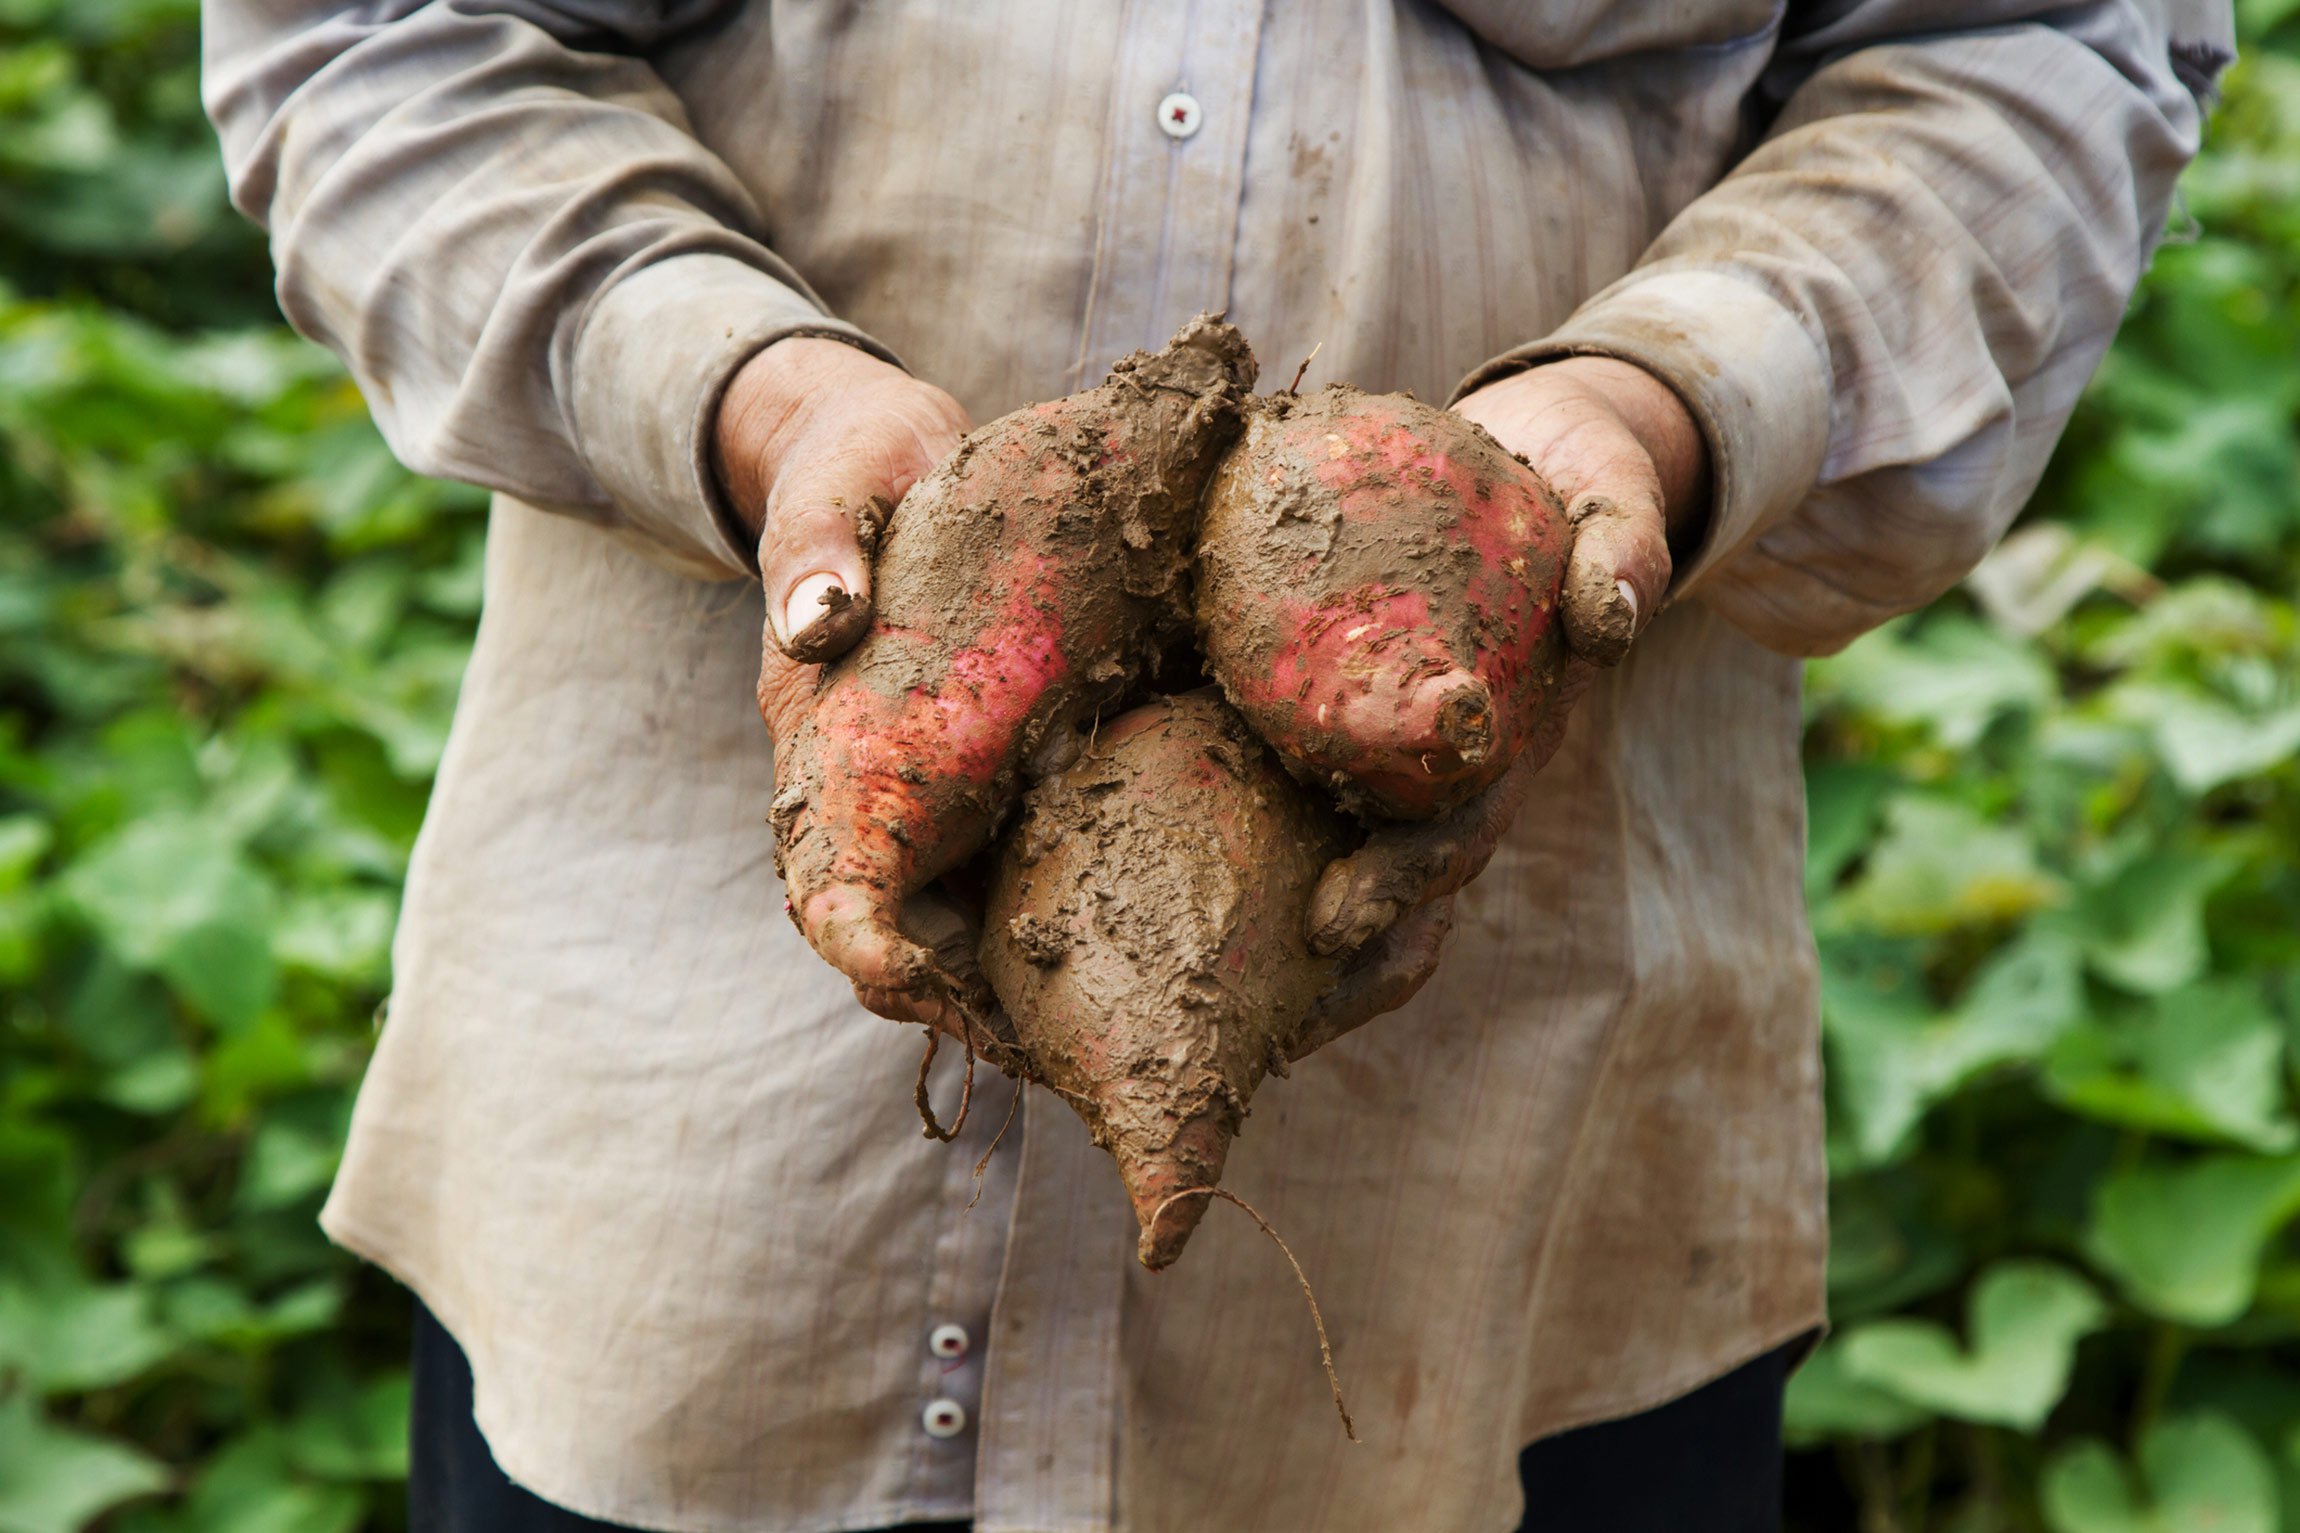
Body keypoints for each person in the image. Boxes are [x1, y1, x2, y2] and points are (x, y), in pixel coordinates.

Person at [201, 3, 2227, 1529]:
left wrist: (1661, 411)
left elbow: (2034, 55)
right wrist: (744, 396)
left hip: (1517, 1207)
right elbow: (380, 36)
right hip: (687, 1187)